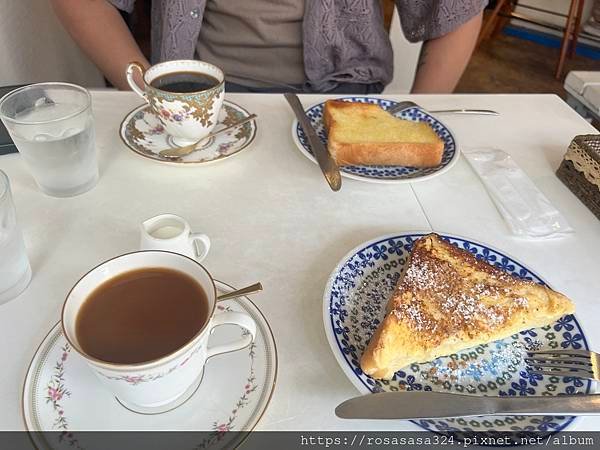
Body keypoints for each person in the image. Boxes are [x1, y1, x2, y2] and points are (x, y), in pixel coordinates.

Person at [50, 0, 486, 94]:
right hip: (197, 96)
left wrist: (417, 118)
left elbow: (455, 10)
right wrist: (147, 93)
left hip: (344, 97)